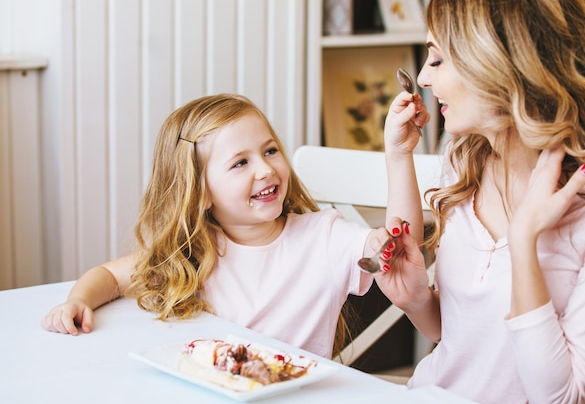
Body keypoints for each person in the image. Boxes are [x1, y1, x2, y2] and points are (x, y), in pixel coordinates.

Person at [377, 0, 585, 403]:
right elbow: (466, 340)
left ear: (496, 64)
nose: (423, 79)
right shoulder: (466, 161)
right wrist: (418, 302)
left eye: (437, 58)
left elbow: (562, 398)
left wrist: (523, 238)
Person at [41, 93, 390, 359]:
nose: (265, 170)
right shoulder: (195, 251)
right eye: (240, 163)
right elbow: (112, 276)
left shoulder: (323, 237)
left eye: (269, 151)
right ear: (200, 194)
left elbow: (385, 247)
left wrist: (385, 242)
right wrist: (78, 300)